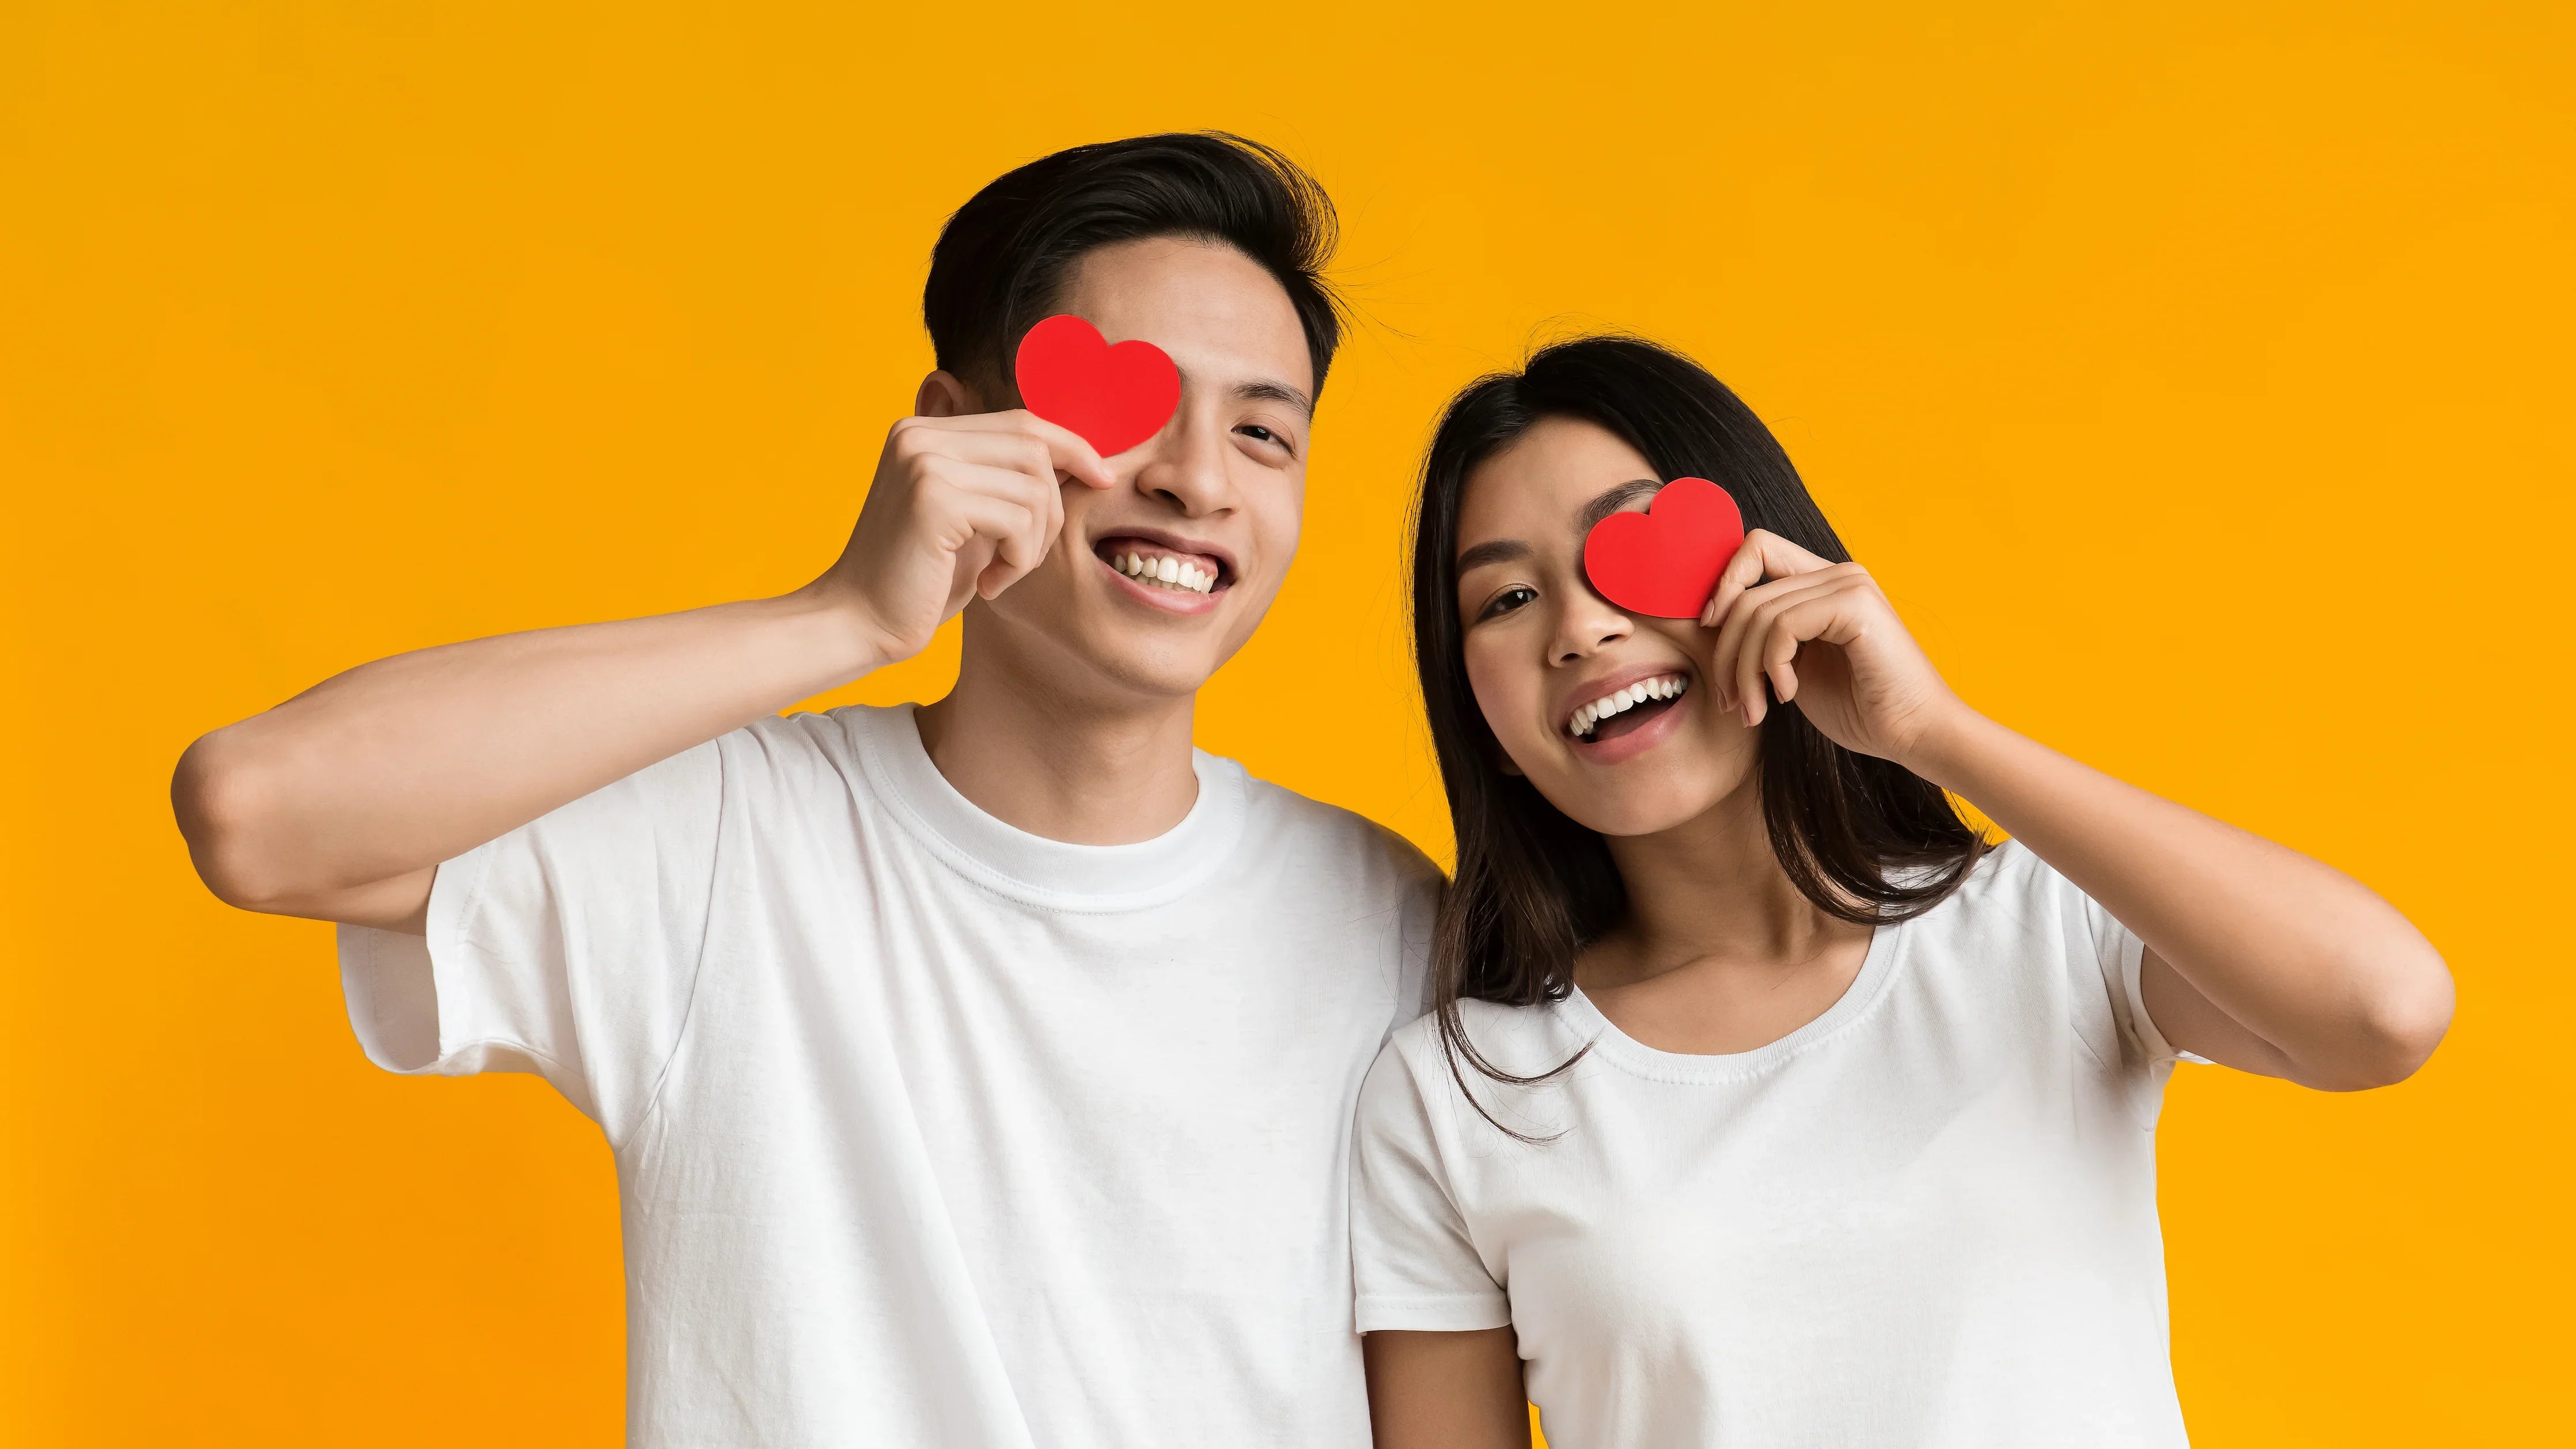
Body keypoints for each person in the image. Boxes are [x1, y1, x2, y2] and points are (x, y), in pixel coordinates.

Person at [172, 132, 1438, 1449]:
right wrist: (842, 616)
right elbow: (257, 809)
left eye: (1261, 432)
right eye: (1129, 406)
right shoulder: (733, 844)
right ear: (951, 433)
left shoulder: (1389, 921)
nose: (1198, 478)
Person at [1351, 336, 2453, 1448]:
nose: (1580, 628)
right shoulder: (1458, 1097)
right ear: (1479, 719)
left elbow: (2384, 1012)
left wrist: (1934, 733)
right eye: (1508, 598)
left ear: (1768, 568)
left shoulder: (2041, 930)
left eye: (1629, 551)